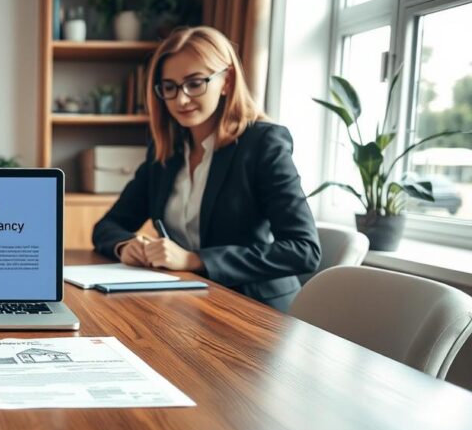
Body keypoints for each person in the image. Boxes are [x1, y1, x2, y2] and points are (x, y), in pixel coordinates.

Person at [92, 26, 320, 311]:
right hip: (188, 305)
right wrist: (126, 246)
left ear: (227, 81)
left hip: (256, 310)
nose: (181, 99)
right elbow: (106, 227)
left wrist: (194, 259)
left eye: (195, 83)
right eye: (170, 87)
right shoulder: (166, 152)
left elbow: (303, 250)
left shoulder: (263, 144)